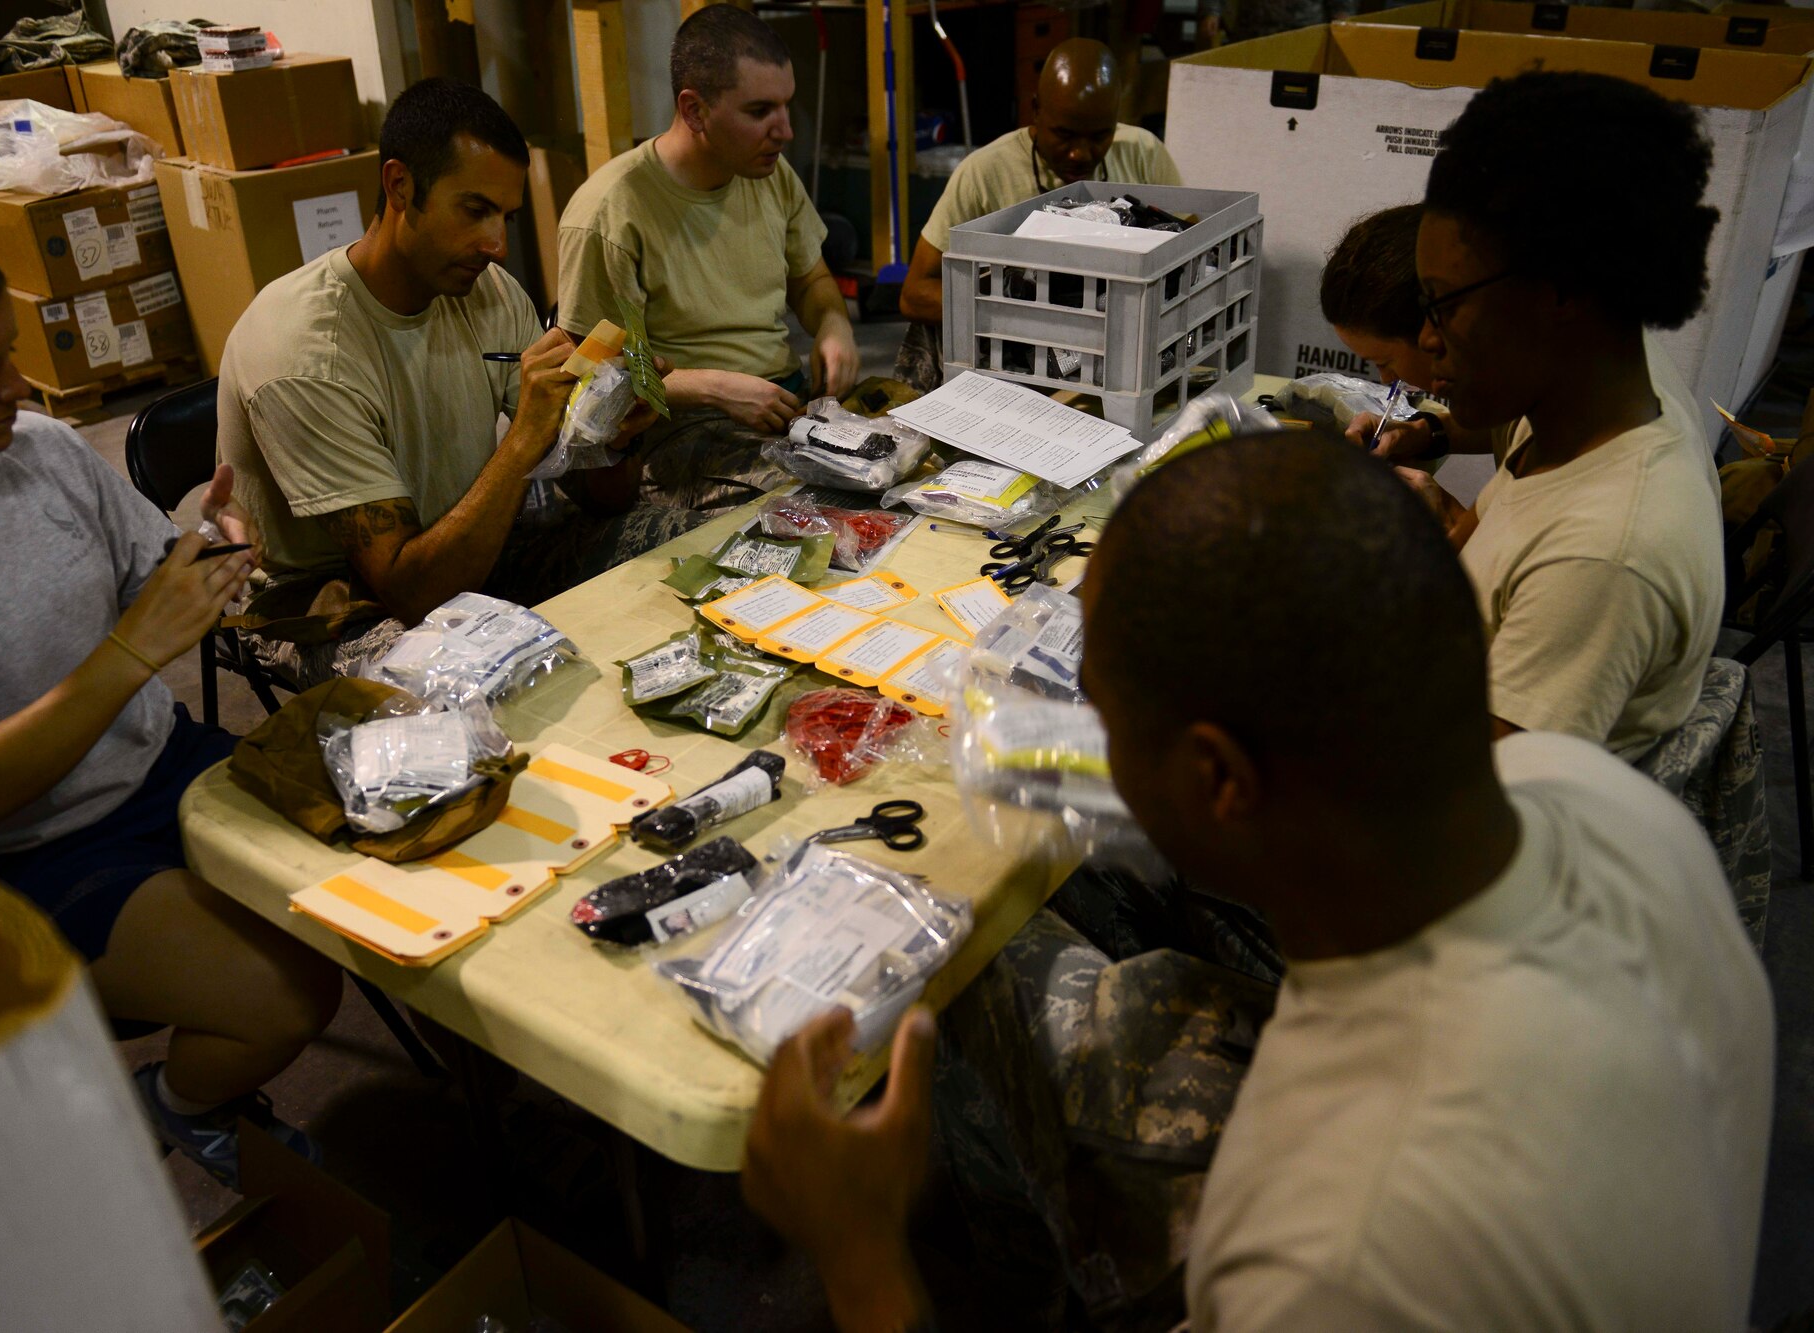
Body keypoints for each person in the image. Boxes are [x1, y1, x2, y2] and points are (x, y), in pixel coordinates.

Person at [742, 430, 1773, 1331]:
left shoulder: (1340, 1250)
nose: (1076, 744)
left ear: (1217, 776)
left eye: (1095, 712)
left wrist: (861, 1256)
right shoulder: (1594, 795)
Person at [0, 211, 340, 1191]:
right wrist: (131, 649)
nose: (16, 388)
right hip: (26, 856)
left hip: (162, 763)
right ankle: (183, 1105)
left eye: (8, 355)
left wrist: (212, 545)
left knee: (385, 873)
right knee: (283, 991)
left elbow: (158, 571)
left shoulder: (43, 451)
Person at [218, 78, 692, 687]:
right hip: (329, 601)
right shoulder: (304, 350)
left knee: (672, 550)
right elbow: (412, 594)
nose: (496, 245)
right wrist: (523, 438)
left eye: (506, 217)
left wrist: (612, 426)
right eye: (474, 210)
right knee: (461, 681)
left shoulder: (483, 290)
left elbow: (603, 497)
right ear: (400, 186)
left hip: (458, 549)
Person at [1395, 71, 1723, 761]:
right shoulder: (1568, 424)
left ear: (1565, 289)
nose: (1426, 341)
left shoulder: (1604, 552)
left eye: (1443, 303)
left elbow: (1476, 811)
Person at [556, 4, 858, 509]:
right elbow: (591, 378)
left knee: (904, 466)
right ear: (694, 110)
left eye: (786, 105)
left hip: (781, 401)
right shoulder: (611, 211)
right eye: (760, 111)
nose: (785, 130)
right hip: (680, 430)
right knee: (814, 505)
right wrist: (714, 389)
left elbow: (812, 280)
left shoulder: (769, 174)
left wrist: (833, 324)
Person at [1320, 202, 1707, 474]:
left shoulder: (1587, 431)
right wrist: (1424, 433)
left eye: (1384, 363)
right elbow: (1507, 426)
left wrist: (1440, 521)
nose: (1387, 382)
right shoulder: (1541, 348)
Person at [895, 38, 1181, 392]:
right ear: (1035, 109)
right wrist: (1026, 314)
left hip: (1124, 363)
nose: (1080, 153)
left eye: (1100, 135)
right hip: (1012, 368)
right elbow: (914, 294)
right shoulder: (984, 174)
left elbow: (1188, 253)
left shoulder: (1144, 154)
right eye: (1064, 134)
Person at [1197, 0, 1356, 46]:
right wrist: (1211, 11)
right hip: (1252, 33)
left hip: (1306, 35)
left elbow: (1343, 10)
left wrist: (1343, 13)